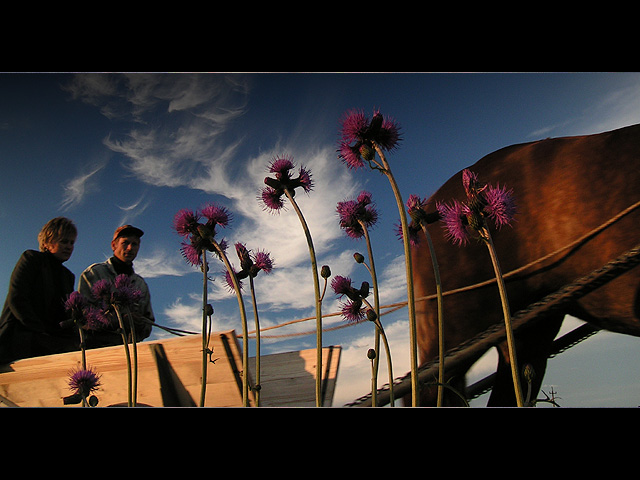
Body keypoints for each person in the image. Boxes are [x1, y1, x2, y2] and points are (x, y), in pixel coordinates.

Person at [0, 217, 80, 364]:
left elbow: (64, 313)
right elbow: (17, 298)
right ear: (47, 243)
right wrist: (40, 331)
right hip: (21, 337)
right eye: (63, 241)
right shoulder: (31, 259)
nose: (69, 247)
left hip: (51, 341)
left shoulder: (68, 276)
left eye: (71, 243)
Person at [78, 225, 155, 347]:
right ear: (114, 245)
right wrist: (119, 320)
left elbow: (149, 323)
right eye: (125, 243)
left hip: (129, 351)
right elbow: (84, 316)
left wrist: (139, 323)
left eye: (134, 244)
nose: (130, 248)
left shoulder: (141, 284)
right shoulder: (94, 273)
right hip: (97, 349)